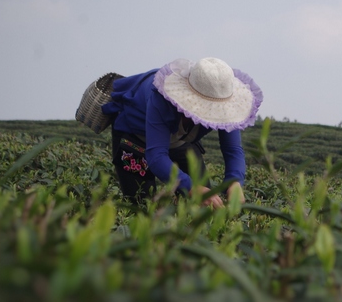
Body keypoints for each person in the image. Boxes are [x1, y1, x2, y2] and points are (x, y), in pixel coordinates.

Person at [101, 57, 262, 208]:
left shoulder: (227, 109)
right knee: (141, 205)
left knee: (207, 205)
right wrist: (190, 187)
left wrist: (234, 182)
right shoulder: (161, 99)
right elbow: (156, 156)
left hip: (180, 143)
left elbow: (232, 149)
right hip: (135, 138)